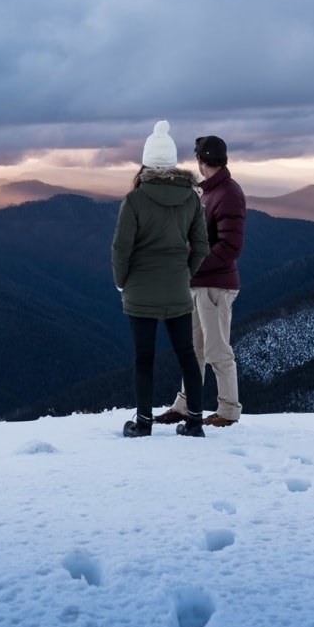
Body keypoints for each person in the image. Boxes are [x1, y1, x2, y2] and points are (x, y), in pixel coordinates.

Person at [111, 121, 210, 438]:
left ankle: (143, 423)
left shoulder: (135, 200)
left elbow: (121, 247)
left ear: (147, 162)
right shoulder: (192, 198)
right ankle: (195, 422)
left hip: (140, 290)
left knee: (144, 358)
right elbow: (202, 246)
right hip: (177, 290)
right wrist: (185, 273)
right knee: (187, 355)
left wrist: (121, 281)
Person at [154, 135, 246, 427]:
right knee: (194, 350)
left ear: (201, 160)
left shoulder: (227, 193)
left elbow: (231, 247)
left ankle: (229, 411)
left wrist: (194, 262)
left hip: (215, 286)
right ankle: (184, 406)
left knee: (217, 350)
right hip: (201, 284)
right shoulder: (210, 192)